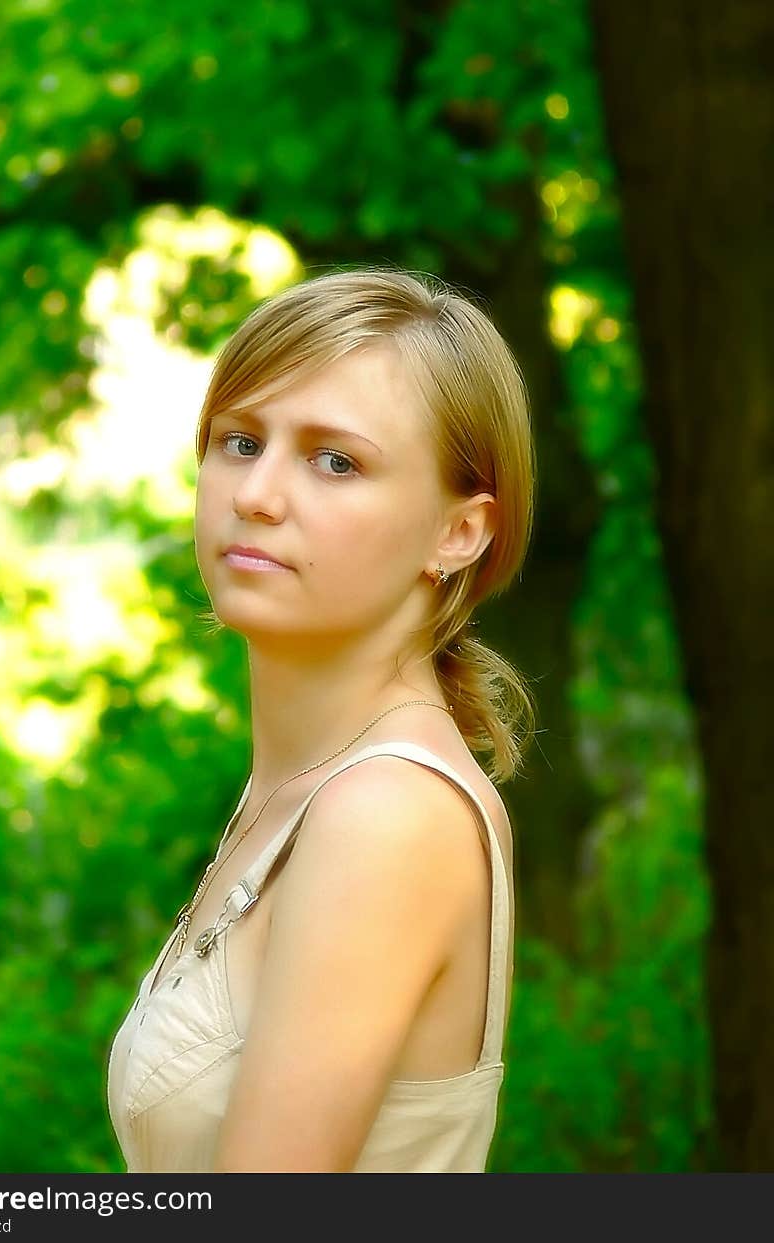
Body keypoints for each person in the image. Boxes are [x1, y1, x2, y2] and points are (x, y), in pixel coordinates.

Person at [106, 266, 537, 1173]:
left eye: (335, 460)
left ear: (459, 532)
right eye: (238, 441)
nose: (257, 494)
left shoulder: (386, 814)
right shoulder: (310, 781)